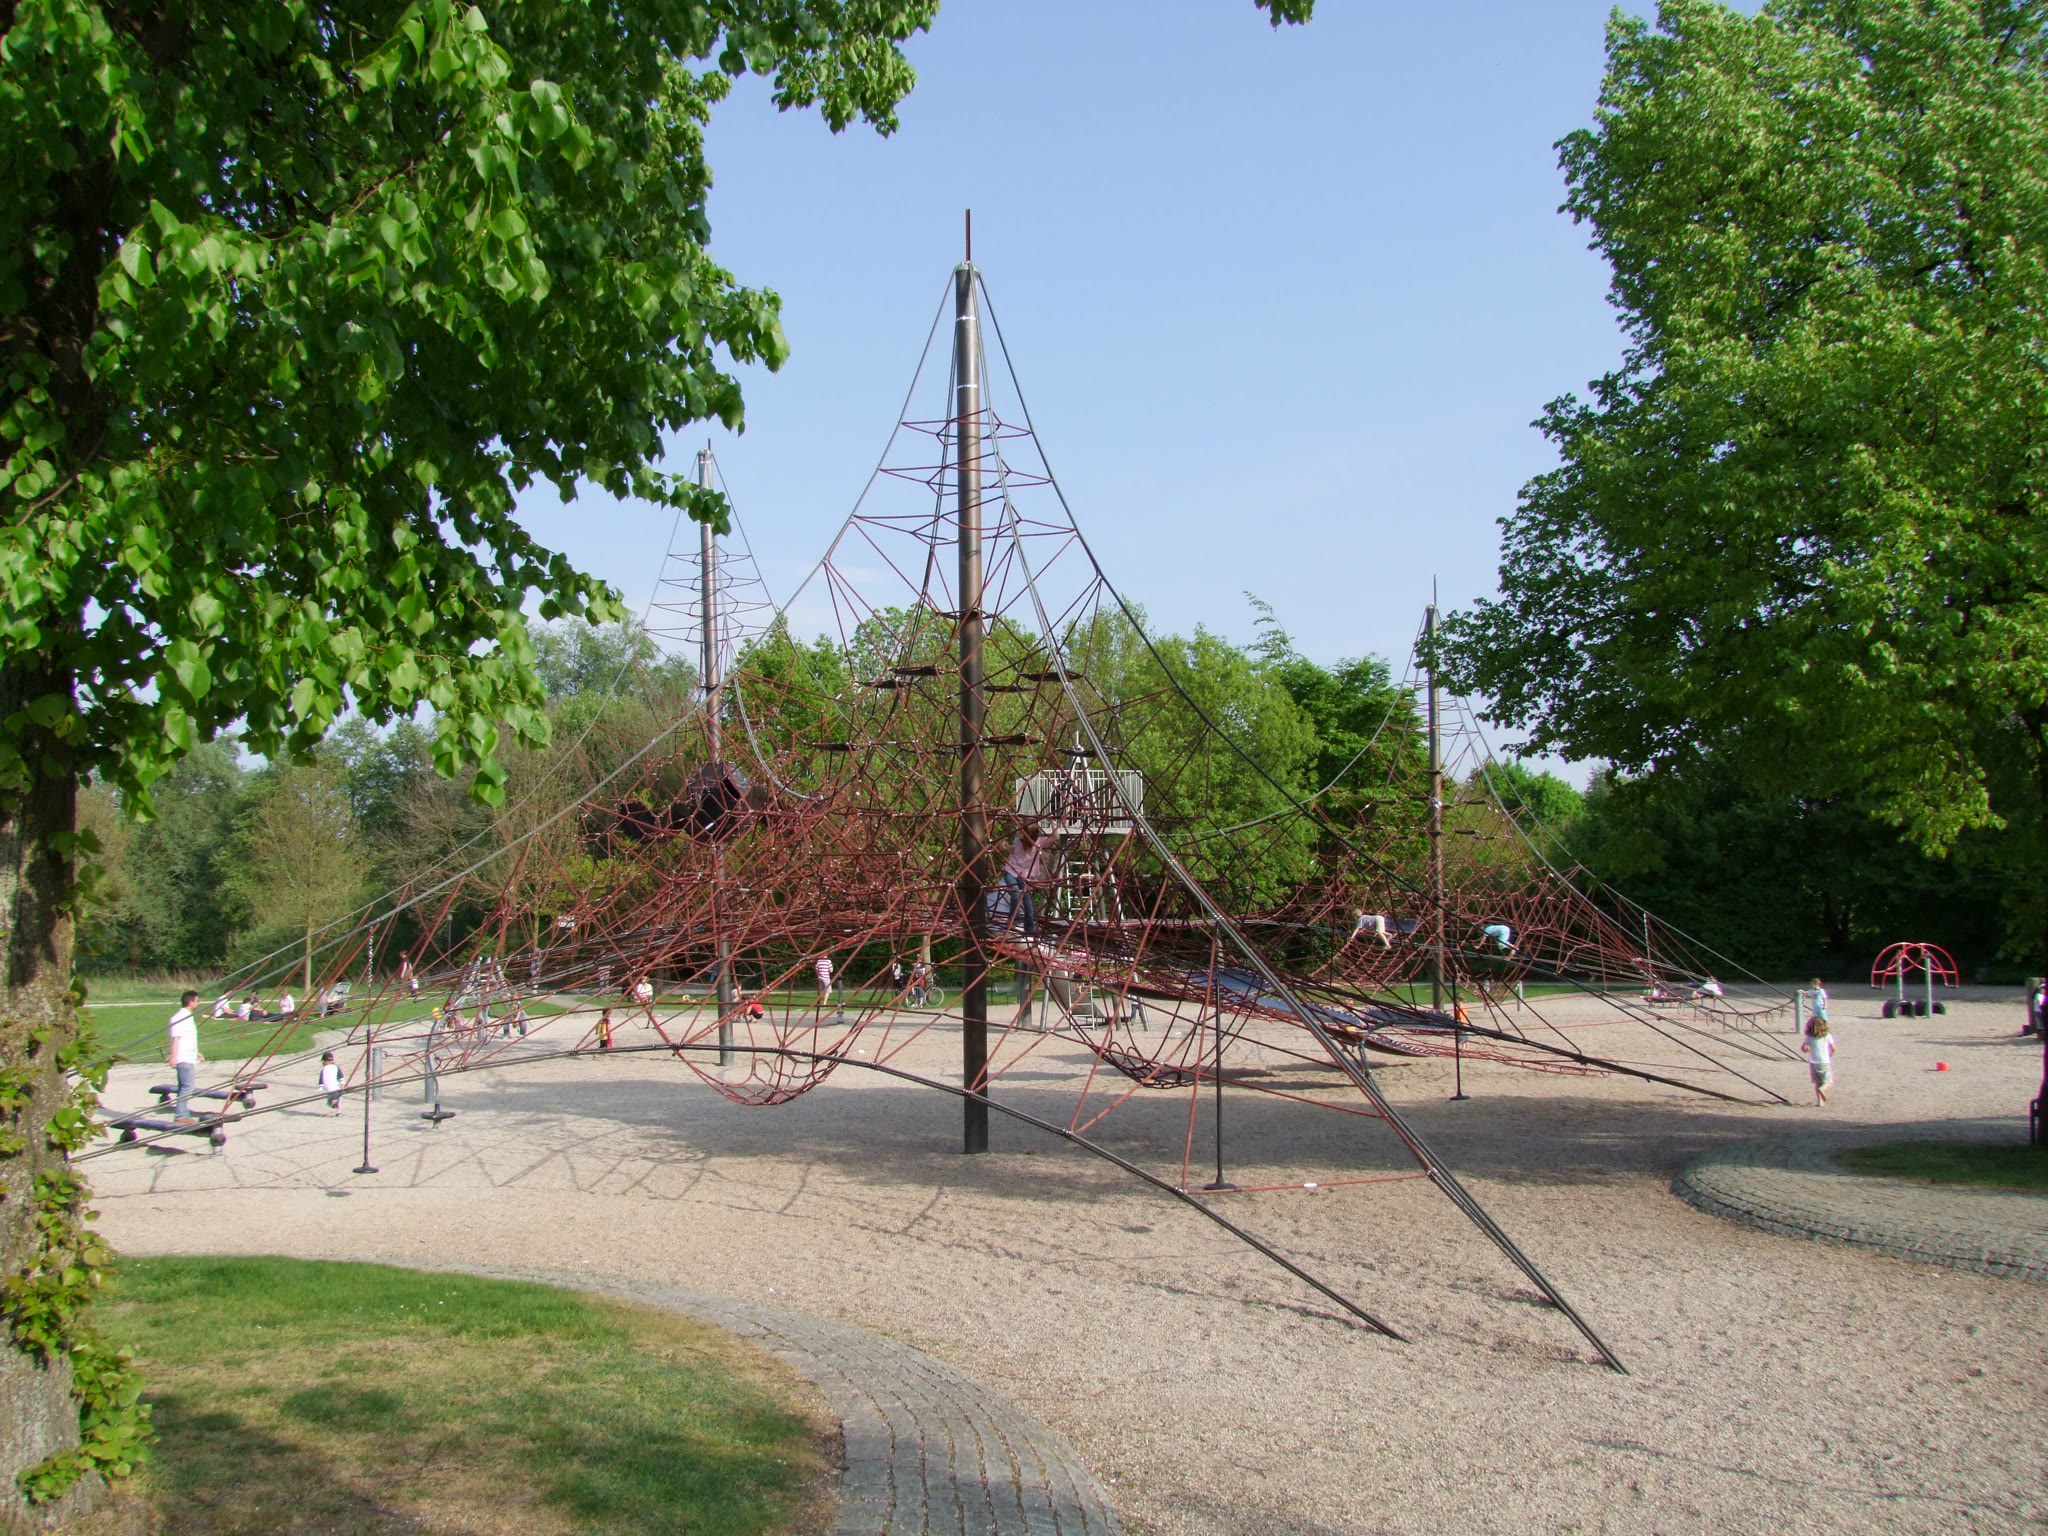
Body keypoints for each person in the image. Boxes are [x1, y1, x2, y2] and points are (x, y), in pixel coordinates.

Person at [994, 824, 1049, 934]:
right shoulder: (1018, 840)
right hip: (1011, 871)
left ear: (1029, 834)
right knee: (1015, 893)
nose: (1019, 832)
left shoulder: (1038, 843)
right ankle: (1014, 920)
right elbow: (1014, 851)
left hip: (1024, 875)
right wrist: (1006, 847)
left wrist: (1052, 822)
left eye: (1023, 831)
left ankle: (1030, 928)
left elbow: (1056, 837)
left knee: (1028, 901)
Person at [167, 990, 202, 1121]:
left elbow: (189, 1039)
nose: (198, 1003)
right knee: (188, 1086)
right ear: (190, 1002)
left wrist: (197, 1053)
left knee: (183, 1086)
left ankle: (182, 1114)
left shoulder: (188, 1016)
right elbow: (175, 1038)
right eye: (197, 1001)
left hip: (189, 1056)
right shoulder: (179, 1017)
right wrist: (173, 1057)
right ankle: (180, 1115)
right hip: (183, 1057)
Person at [1803, 1015, 1836, 1106]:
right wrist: (1830, 1054)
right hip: (1824, 1061)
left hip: (1813, 1062)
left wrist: (1807, 1049)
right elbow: (1833, 1047)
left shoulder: (1809, 1037)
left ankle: (1820, 1102)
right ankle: (1823, 1089)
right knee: (1828, 1081)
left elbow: (1804, 1048)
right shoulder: (1827, 1036)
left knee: (1818, 1082)